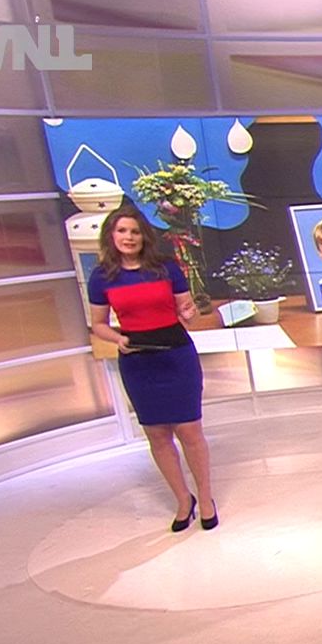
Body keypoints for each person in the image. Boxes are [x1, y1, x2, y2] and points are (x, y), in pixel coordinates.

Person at [87, 205, 218, 531]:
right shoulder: (102, 277)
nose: (129, 237)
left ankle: (205, 498)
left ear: (144, 235)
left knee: (190, 431)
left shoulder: (166, 268)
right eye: (122, 231)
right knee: (158, 435)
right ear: (111, 236)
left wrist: (189, 313)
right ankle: (183, 500)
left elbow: (186, 311)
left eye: (134, 231)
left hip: (176, 356)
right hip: (138, 361)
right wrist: (118, 339)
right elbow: (98, 324)